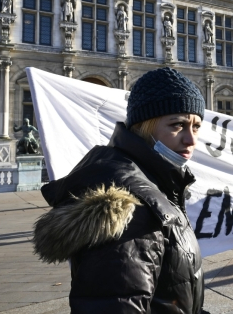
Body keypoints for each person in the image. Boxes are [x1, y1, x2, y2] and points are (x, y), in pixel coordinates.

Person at [33, 67, 208, 313]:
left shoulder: (154, 183)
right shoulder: (127, 206)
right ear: (145, 125)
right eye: (177, 125)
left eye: (196, 126)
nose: (191, 140)